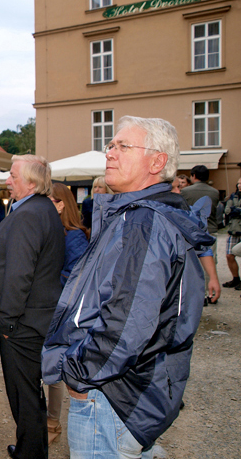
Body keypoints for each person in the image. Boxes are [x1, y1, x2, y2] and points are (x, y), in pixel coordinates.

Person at [42, 116, 214, 459]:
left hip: (112, 394)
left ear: (157, 161)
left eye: (124, 146)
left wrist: (79, 377)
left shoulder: (143, 222)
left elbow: (126, 323)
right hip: (127, 390)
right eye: (110, 145)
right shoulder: (136, 215)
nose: (111, 153)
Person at [0, 155, 65, 459]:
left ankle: (31, 454)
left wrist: (8, 321)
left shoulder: (28, 214)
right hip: (34, 317)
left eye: (13, 175)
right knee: (28, 393)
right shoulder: (41, 208)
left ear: (30, 181)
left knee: (23, 395)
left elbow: (19, 273)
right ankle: (31, 448)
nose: (8, 180)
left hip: (23, 322)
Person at [45, 182, 90, 444]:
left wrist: (49, 280)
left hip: (62, 311)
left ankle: (53, 423)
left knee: (56, 369)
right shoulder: (53, 230)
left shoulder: (73, 235)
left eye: (49, 200)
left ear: (61, 204)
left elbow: (77, 276)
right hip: (49, 306)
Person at [181, 165, 222, 304]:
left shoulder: (185, 192)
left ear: (193, 176)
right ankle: (209, 293)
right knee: (210, 261)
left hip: (192, 232)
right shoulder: (215, 192)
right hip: (211, 229)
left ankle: (197, 294)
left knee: (192, 264)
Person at [224, 177, 241, 289]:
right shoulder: (232, 196)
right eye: (238, 183)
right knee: (229, 255)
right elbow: (227, 210)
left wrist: (236, 210)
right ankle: (236, 279)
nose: (239, 186)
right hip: (234, 229)